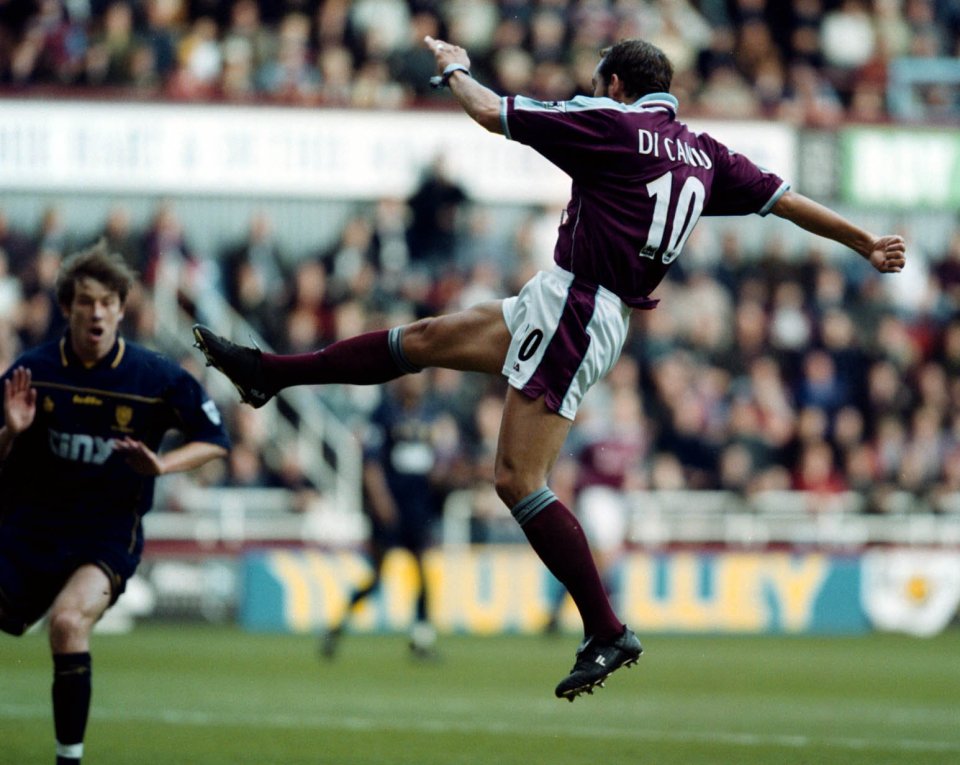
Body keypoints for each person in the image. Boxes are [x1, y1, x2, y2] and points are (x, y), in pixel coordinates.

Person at [192, 36, 906, 701]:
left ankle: (606, 627)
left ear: (617, 84)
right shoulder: (703, 152)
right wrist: (865, 242)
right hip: (569, 296)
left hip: (579, 306)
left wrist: (452, 66)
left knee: (515, 478)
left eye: (597, 83)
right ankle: (269, 372)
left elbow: (486, 111)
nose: (589, 91)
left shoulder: (610, 123)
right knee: (428, 338)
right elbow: (786, 202)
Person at [0, 241, 230, 765]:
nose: (97, 311)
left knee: (67, 623)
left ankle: (68, 760)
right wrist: (10, 434)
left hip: (103, 534)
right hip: (28, 528)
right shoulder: (31, 372)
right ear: (67, 308)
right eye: (85, 301)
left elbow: (214, 439)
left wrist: (162, 465)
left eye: (107, 301)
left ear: (122, 308)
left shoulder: (156, 378)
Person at [320, 372, 444, 660]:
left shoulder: (430, 415)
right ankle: (337, 627)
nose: (415, 383)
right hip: (391, 507)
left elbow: (429, 460)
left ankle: (421, 641)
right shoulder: (384, 413)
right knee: (377, 577)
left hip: (418, 507)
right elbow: (372, 462)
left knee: (423, 575)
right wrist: (382, 501)